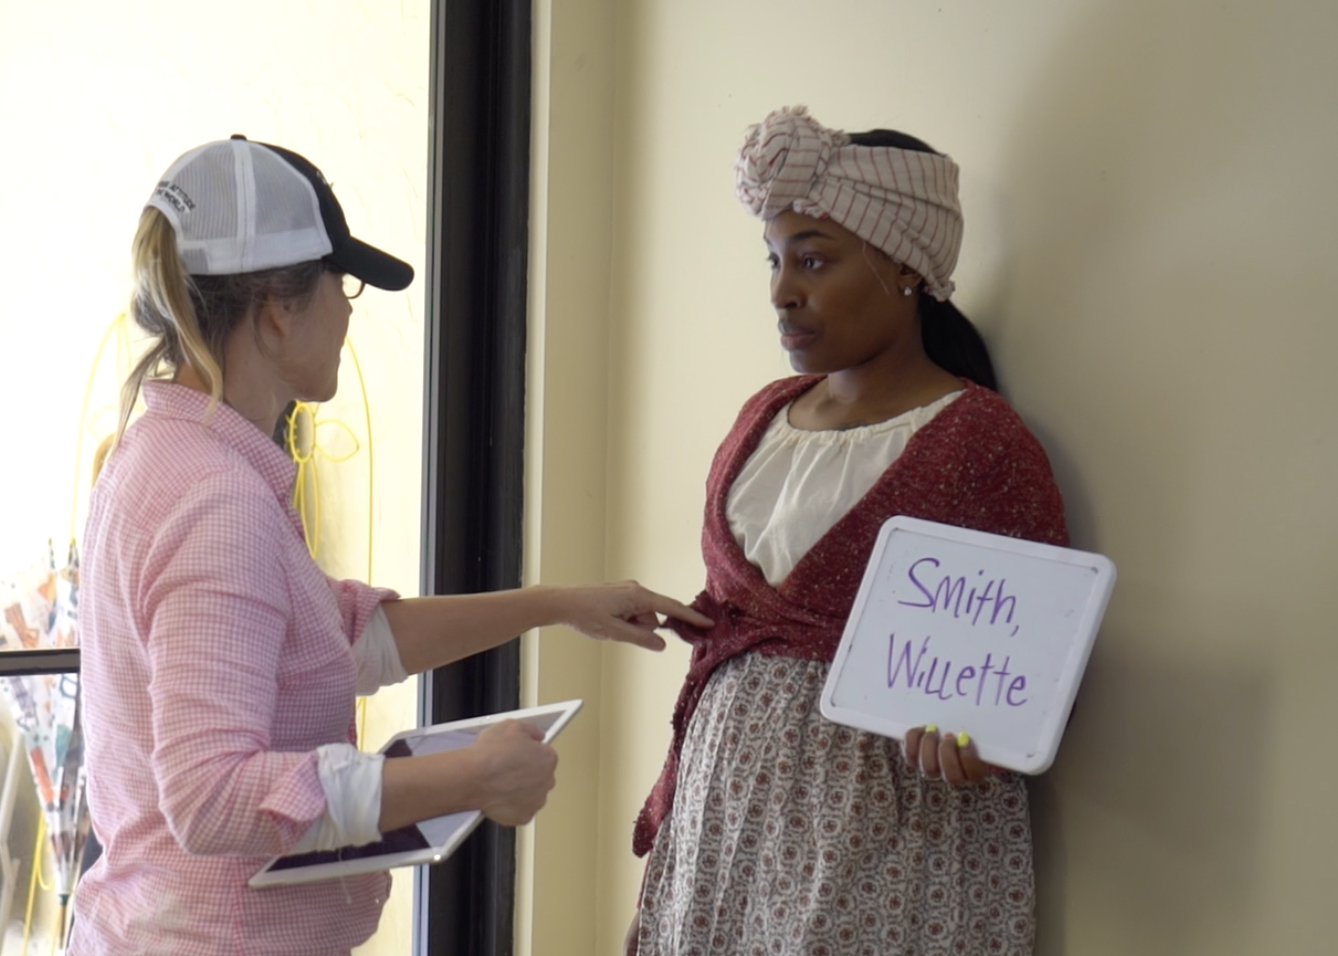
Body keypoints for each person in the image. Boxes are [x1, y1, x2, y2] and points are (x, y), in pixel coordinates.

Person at [69, 135, 711, 956]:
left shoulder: (166, 452)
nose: (346, 308)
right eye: (343, 283)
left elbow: (333, 640)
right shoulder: (216, 501)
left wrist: (558, 605)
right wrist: (468, 777)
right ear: (277, 308)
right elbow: (211, 798)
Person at [627, 107, 1070, 956]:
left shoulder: (977, 440)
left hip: (878, 824)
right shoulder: (765, 415)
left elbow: (1033, 659)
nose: (781, 290)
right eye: (776, 260)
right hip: (727, 813)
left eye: (814, 260)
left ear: (903, 264)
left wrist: (985, 739)